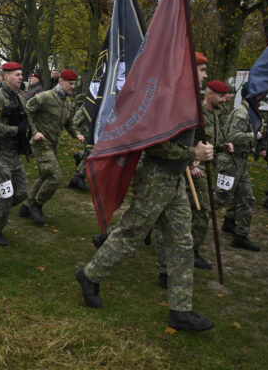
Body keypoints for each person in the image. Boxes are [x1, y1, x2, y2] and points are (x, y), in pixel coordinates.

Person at [75, 59, 216, 332]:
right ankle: (89, 275)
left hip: (175, 180)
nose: (205, 75)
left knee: (182, 244)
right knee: (131, 234)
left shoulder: (188, 99)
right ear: (187, 70)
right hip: (156, 179)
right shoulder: (167, 100)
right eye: (201, 70)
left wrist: (191, 159)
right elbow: (154, 146)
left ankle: (180, 310)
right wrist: (192, 154)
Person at [20, 69, 84, 224]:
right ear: (60, 81)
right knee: (55, 177)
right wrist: (34, 132)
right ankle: (37, 204)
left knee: (45, 176)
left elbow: (69, 123)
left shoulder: (67, 102)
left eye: (74, 84)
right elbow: (26, 111)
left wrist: (77, 134)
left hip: (53, 144)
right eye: (70, 83)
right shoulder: (44, 97)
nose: (73, 87)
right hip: (41, 144)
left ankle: (26, 207)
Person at [185, 74, 233, 270]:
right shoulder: (198, 114)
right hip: (194, 168)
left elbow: (208, 142)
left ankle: (152, 229)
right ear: (209, 94)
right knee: (204, 209)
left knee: (186, 208)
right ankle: (192, 251)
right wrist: (191, 165)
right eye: (221, 96)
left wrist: (223, 147)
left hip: (206, 167)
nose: (224, 100)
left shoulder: (214, 114)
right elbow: (187, 140)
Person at [0, 61, 30, 246]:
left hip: (14, 153)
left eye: (21, 74)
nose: (21, 77)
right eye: (17, 74)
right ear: (5, 77)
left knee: (21, 192)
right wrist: (15, 130)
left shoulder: (19, 96)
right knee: (5, 195)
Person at [214, 82, 261, 251]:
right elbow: (234, 137)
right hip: (230, 163)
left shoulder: (249, 112)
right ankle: (188, 222)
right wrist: (254, 135)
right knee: (218, 199)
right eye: (260, 95)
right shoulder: (241, 113)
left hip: (240, 163)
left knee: (247, 199)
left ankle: (239, 234)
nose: (262, 99)